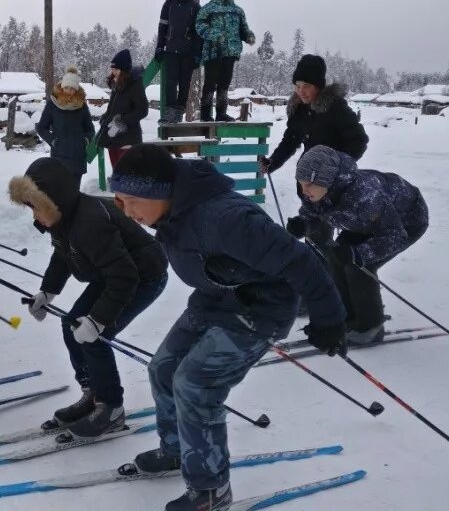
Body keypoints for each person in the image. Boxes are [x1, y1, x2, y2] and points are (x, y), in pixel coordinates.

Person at [109, 143, 346, 511]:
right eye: (118, 202)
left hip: (261, 307)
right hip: (217, 296)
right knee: (163, 369)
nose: (126, 212)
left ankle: (210, 491)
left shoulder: (226, 218)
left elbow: (302, 261)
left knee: (196, 385)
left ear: (159, 192)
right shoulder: (170, 211)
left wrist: (329, 318)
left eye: (131, 200)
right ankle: (177, 451)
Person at [9, 157, 168, 438]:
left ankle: (111, 408)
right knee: (72, 324)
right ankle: (93, 393)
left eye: (35, 208)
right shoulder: (63, 218)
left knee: (94, 334)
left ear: (54, 200)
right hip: (112, 275)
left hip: (142, 277)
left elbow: (125, 276)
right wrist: (47, 292)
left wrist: (98, 319)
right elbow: (62, 256)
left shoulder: (90, 222)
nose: (34, 216)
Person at [287, 145, 429, 344]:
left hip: (406, 222)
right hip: (363, 222)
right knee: (337, 258)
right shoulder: (318, 190)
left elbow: (395, 236)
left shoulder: (364, 195)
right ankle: (347, 315)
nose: (304, 190)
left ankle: (370, 326)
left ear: (325, 179)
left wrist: (359, 254)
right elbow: (313, 213)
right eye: (300, 184)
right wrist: (303, 224)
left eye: (308, 184)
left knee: (359, 265)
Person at [261, 54, 370, 247]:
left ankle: (323, 267)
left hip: (331, 185)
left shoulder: (335, 108)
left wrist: (336, 169)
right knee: (314, 230)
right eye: (297, 85)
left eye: (307, 86)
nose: (301, 91)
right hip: (306, 182)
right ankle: (317, 262)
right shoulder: (299, 109)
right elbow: (291, 140)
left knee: (321, 232)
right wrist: (273, 162)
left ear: (318, 85)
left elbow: (359, 141)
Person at [195, 0, 254, 122]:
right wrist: (214, 35)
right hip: (213, 51)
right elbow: (199, 25)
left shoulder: (237, 10)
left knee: (224, 83)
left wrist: (248, 36)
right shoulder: (208, 8)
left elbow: (243, 28)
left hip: (231, 51)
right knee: (210, 83)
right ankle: (205, 114)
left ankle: (221, 112)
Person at [35, 65, 95, 190]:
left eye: (72, 88)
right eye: (67, 87)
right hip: (59, 156)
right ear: (62, 86)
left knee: (74, 193)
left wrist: (85, 141)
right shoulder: (53, 104)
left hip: (77, 156)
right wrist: (53, 140)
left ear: (76, 89)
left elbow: (90, 129)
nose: (69, 91)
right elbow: (41, 127)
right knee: (59, 193)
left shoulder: (82, 106)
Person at [155, 0, 201, 124]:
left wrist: (197, 54)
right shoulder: (169, 4)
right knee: (170, 82)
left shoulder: (195, 7)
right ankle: (169, 113)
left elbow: (198, 33)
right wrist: (159, 46)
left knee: (184, 83)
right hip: (171, 50)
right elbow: (162, 27)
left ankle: (178, 113)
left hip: (187, 53)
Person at [98, 49, 148, 168]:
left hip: (128, 140)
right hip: (114, 139)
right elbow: (113, 109)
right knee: (118, 176)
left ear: (123, 70)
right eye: (113, 69)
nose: (113, 72)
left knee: (127, 177)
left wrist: (122, 121)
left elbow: (142, 110)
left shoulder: (134, 85)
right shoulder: (117, 85)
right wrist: (105, 119)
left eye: (116, 69)